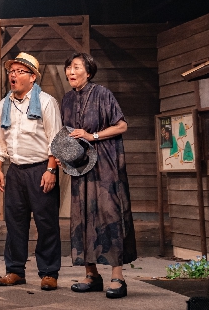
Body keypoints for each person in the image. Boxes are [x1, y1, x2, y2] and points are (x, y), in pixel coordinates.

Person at [60, 52, 135, 299]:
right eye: (68, 68)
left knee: (109, 213)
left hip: (105, 163)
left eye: (76, 67)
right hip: (81, 165)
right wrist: (64, 155)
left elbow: (122, 125)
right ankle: (91, 275)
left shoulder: (103, 94)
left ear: (89, 72)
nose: (71, 72)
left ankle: (118, 276)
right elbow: (66, 133)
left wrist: (92, 136)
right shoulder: (67, 99)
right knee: (82, 215)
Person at [0, 52, 62, 291]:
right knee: (15, 223)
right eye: (11, 71)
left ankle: (49, 272)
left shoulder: (46, 102)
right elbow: (0, 141)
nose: (13, 75)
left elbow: (55, 140)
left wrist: (51, 170)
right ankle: (15, 270)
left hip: (40, 169)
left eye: (19, 71)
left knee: (46, 223)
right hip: (15, 171)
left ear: (32, 77)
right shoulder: (4, 105)